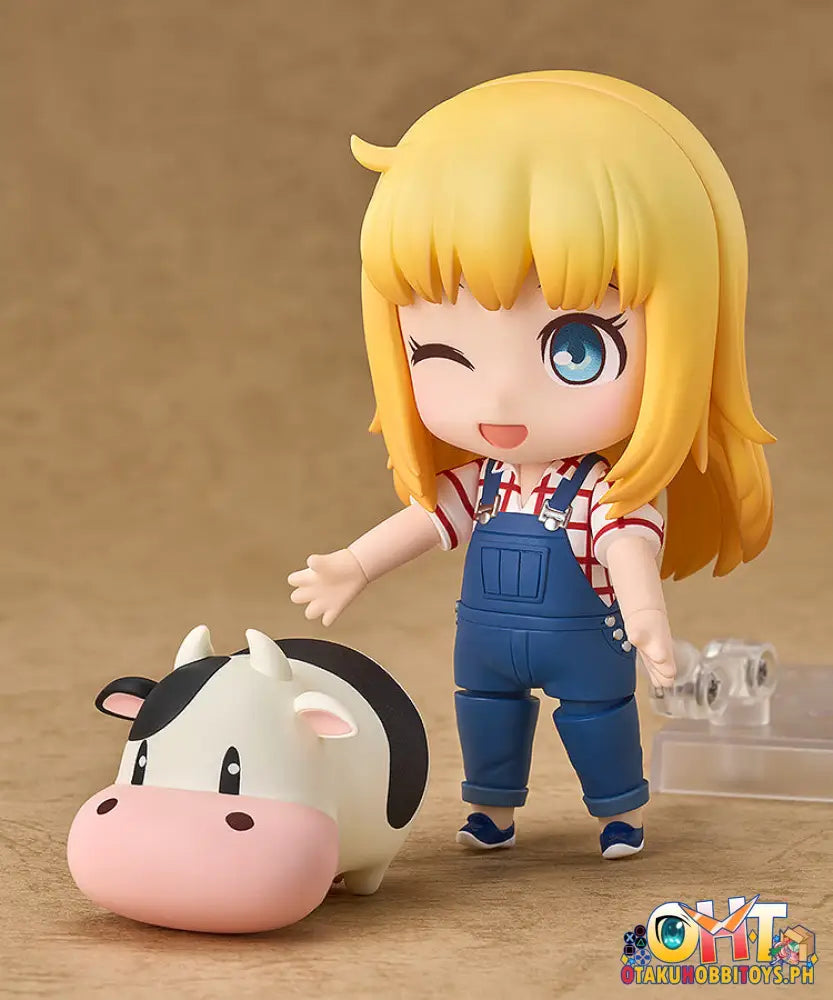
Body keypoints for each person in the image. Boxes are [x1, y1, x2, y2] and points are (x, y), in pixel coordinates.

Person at [288, 71, 774, 859]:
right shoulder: (480, 484)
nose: (501, 395)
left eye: (576, 349)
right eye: (440, 351)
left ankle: (617, 813)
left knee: (596, 717)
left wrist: (647, 620)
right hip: (486, 641)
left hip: (586, 640)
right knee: (485, 711)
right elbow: (425, 519)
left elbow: (626, 545)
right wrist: (353, 564)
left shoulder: (602, 493)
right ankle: (492, 810)